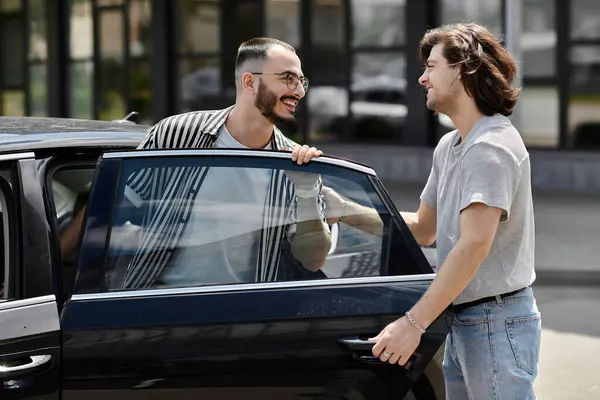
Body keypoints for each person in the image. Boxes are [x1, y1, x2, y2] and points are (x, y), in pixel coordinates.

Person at [61, 37, 331, 289]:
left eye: (301, 81)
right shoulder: (176, 134)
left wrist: (306, 190)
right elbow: (112, 204)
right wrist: (59, 255)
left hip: (243, 316)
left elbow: (313, 261)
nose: (299, 91)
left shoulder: (296, 162)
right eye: (288, 78)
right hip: (155, 305)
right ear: (249, 82)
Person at [369, 23, 541, 400]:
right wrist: (344, 207)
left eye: (431, 66)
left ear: (462, 68)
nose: (422, 77)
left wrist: (413, 323)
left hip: (494, 322)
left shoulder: (490, 146)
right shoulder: (451, 145)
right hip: (465, 321)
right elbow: (424, 228)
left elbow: (474, 244)